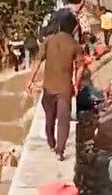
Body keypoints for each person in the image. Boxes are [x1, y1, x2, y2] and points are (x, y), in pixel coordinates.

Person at [27, 13, 85, 161]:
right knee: (64, 120)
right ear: (73, 29)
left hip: (49, 87)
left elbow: (37, 61)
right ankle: (60, 150)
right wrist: (76, 84)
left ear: (59, 26)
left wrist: (30, 80)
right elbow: (80, 68)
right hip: (65, 88)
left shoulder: (48, 41)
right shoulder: (75, 46)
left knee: (49, 117)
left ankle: (51, 142)